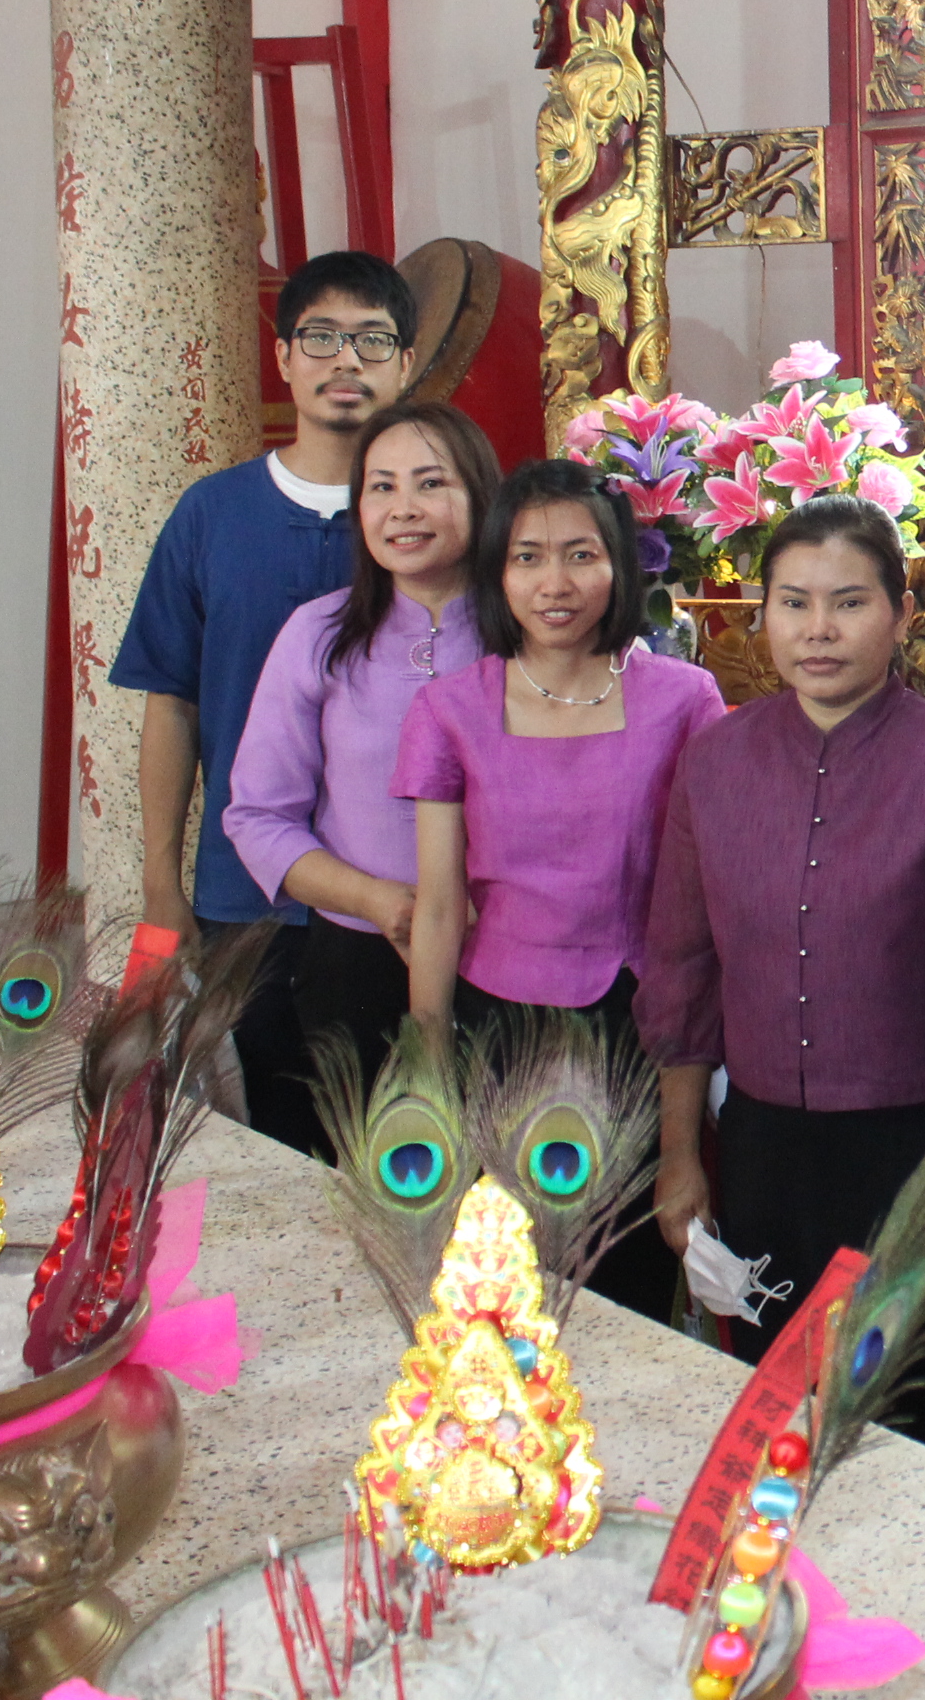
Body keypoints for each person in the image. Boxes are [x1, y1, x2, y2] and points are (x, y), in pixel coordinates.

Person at [640, 494, 925, 1434]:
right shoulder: (715, 762)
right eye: (793, 603)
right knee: (772, 1435)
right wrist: (680, 1155)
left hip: (914, 1154)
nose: (818, 630)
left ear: (903, 614)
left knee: (909, 1435)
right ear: (761, 613)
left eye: (849, 603)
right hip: (760, 1155)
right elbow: (681, 968)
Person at [395, 458, 725, 1316]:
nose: (555, 583)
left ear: (619, 567)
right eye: (528, 557)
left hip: (639, 1026)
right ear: (496, 573)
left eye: (581, 555)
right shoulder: (450, 710)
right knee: (504, 1287)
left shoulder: (685, 699)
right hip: (499, 1029)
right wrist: (427, 1058)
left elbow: (708, 894)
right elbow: (439, 904)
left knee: (626, 1288)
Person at [109, 249, 417, 1148]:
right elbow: (172, 704)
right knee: (279, 1133)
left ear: (406, 363)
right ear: (282, 356)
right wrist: (161, 884)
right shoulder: (212, 516)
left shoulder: (431, 520)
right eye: (320, 336)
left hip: (402, 890)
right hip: (248, 893)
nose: (346, 359)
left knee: (406, 1133)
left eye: (372, 340)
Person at [226, 399, 501, 1120]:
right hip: (356, 961)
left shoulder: (529, 634)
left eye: (430, 483)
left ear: (481, 494)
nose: (403, 508)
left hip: (511, 959)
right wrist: (380, 902)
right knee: (375, 1171)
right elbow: (258, 817)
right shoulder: (317, 634)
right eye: (381, 487)